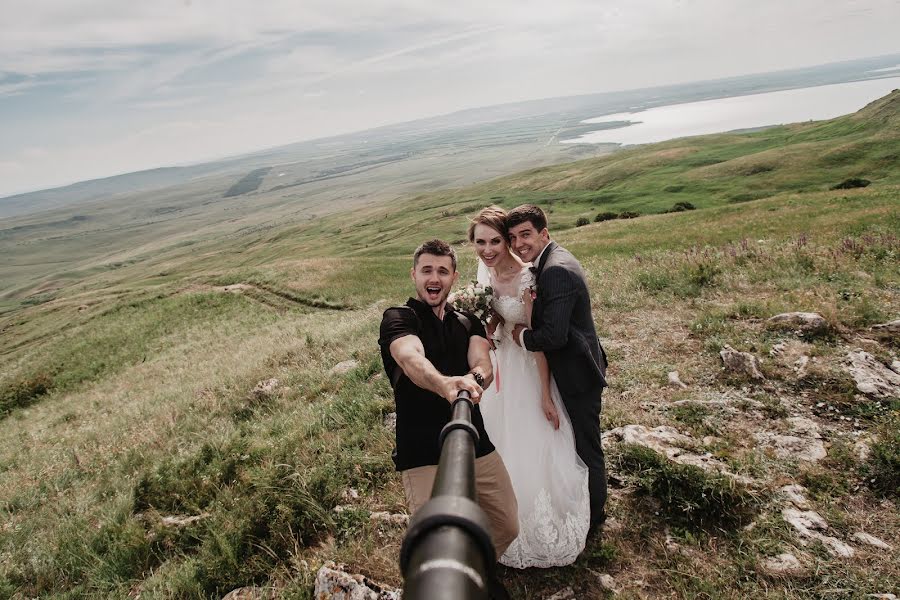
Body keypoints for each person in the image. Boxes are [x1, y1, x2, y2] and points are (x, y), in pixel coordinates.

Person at [378, 239, 518, 600]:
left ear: (454, 277)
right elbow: (410, 358)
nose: (434, 277)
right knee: (434, 546)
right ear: (414, 274)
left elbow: (481, 358)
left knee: (506, 523)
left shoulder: (466, 319)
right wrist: (444, 384)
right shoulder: (399, 317)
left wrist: (477, 379)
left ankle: (477, 575)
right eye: (427, 270)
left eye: (442, 270)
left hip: (474, 438)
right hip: (422, 449)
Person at [468, 206, 590, 568]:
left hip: (527, 367)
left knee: (530, 442)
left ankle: (537, 527)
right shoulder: (485, 273)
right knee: (496, 440)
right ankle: (496, 519)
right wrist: (486, 327)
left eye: (495, 241)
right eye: (480, 242)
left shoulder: (528, 278)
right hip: (501, 365)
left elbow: (538, 343)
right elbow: (494, 319)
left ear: (507, 241)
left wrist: (543, 395)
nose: (488, 250)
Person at [507, 204, 609, 534]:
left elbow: (553, 335)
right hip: (574, 367)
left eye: (526, 234)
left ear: (544, 233)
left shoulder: (556, 270)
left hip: (577, 374)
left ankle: (594, 519)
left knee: (587, 446)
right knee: (578, 442)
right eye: (513, 238)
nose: (519, 244)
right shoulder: (549, 262)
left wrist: (520, 335)